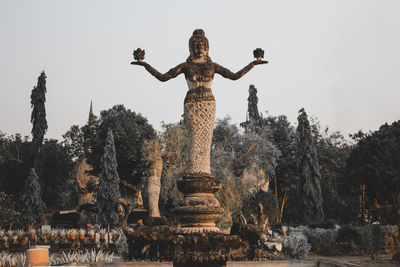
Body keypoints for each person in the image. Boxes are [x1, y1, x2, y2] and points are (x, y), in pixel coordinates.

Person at [131, 29, 267, 176]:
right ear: (190, 48)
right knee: (194, 141)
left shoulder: (212, 66)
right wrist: (145, 65)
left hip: (208, 104)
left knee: (205, 141)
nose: (199, 48)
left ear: (207, 47)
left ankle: (203, 172)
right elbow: (163, 77)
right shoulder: (186, 66)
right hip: (192, 104)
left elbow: (234, 76)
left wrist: (252, 64)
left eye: (201, 45)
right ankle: (195, 171)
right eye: (195, 45)